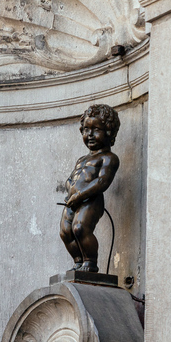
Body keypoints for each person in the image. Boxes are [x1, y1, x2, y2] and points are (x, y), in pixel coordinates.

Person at [59, 104, 120, 273]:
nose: (90, 135)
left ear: (109, 132)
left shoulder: (109, 158)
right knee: (65, 232)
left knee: (80, 228)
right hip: (72, 201)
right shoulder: (81, 159)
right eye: (86, 129)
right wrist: (70, 187)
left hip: (91, 200)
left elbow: (102, 182)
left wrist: (79, 196)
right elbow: (71, 178)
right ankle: (78, 261)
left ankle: (90, 262)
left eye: (96, 130)